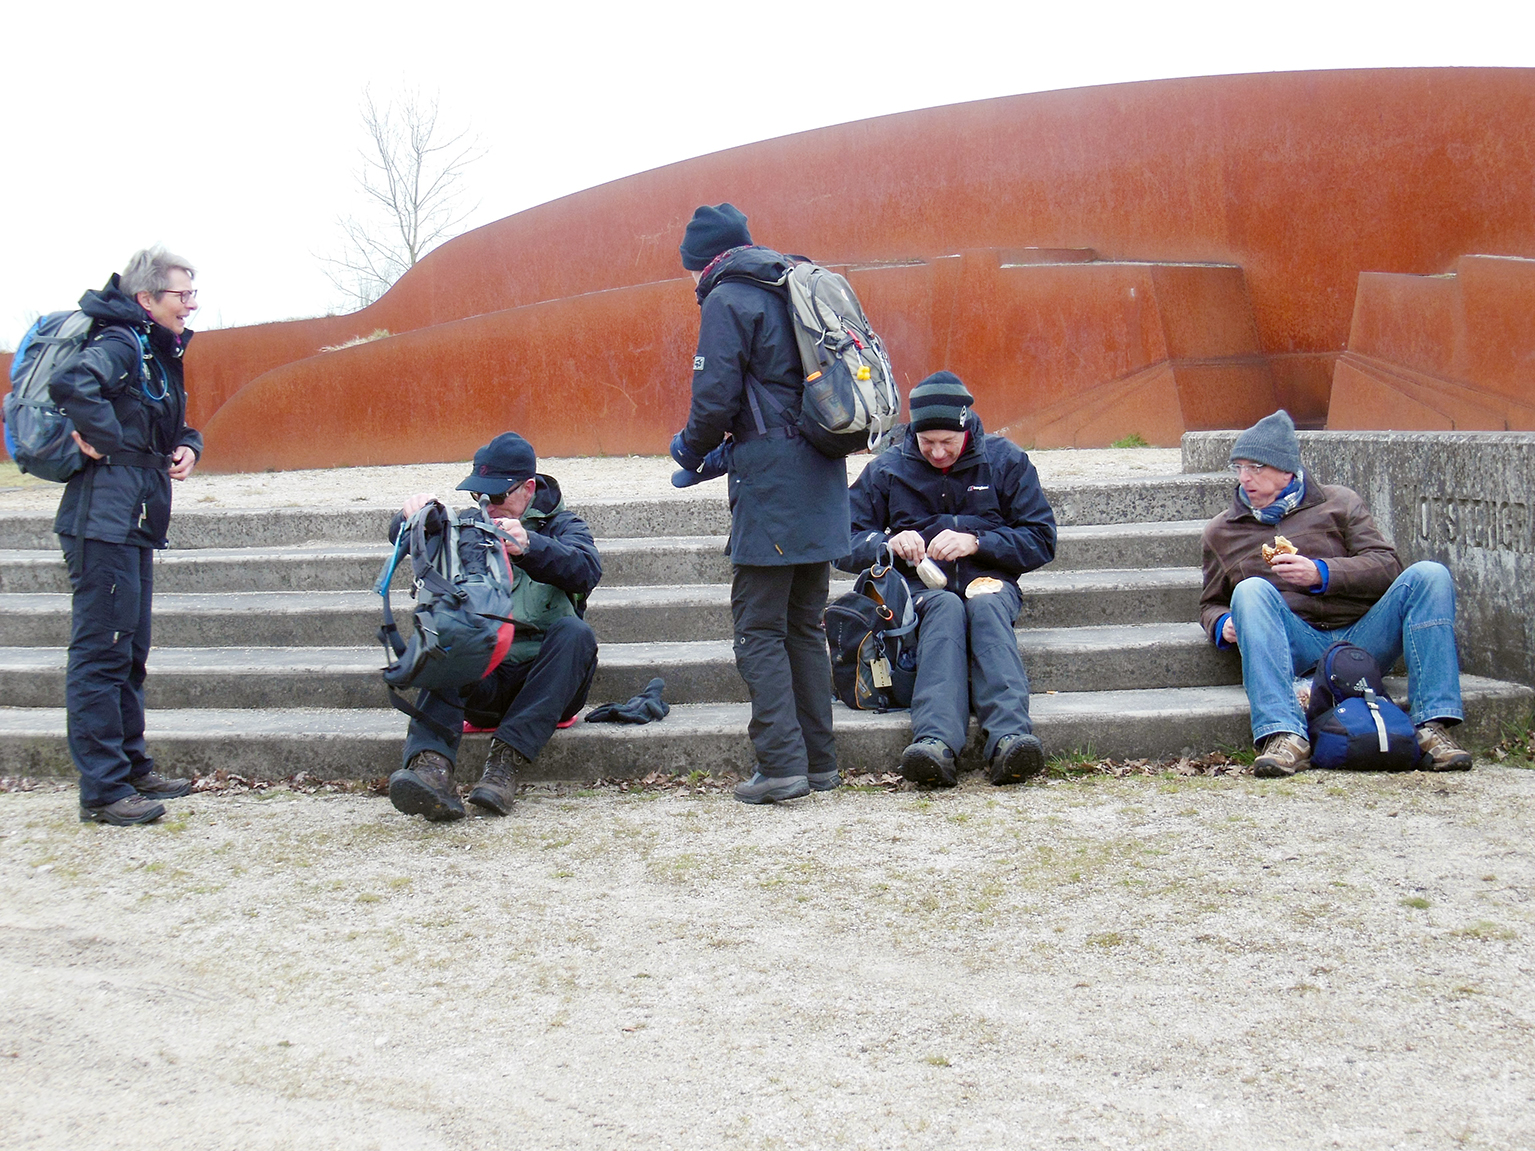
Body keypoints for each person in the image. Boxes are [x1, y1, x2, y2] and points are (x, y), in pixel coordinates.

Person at [669, 203, 850, 805]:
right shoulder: (791, 282)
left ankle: (779, 767)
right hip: (821, 466)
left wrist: (689, 450)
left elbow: (714, 396)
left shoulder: (728, 297)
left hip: (772, 484)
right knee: (803, 625)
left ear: (702, 262)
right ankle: (819, 763)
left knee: (758, 629)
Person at [1200, 409, 1474, 777]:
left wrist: (1321, 572)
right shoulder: (1223, 531)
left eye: (1256, 468)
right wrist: (1222, 623)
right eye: (1239, 467)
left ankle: (1431, 728)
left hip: (1360, 641)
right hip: (1293, 643)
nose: (1245, 478)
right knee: (1250, 590)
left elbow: (1386, 566)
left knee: (1430, 575)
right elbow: (1211, 602)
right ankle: (1283, 735)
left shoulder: (1339, 503)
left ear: (1286, 470)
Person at [46, 248, 204, 826]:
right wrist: (105, 438)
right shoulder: (119, 344)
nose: (191, 304)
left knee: (130, 652)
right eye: (181, 294)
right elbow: (71, 382)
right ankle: (104, 790)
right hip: (102, 524)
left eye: (192, 292)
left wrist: (188, 444)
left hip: (133, 521)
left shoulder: (153, 353)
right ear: (147, 299)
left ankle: (132, 767)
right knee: (101, 655)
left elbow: (165, 421)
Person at [847, 372, 1057, 787]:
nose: (938, 452)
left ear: (966, 426)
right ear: (913, 432)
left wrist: (978, 543)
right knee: (944, 607)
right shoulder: (887, 469)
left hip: (989, 581)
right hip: (919, 591)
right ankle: (935, 744)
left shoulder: (1005, 460)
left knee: (984, 605)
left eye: (948, 442)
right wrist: (887, 544)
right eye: (928, 443)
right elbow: (843, 539)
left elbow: (1041, 538)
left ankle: (1010, 738)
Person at [388, 432, 602, 820]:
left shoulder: (564, 526)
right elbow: (403, 541)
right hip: (485, 680)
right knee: (448, 634)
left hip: (547, 686)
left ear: (529, 488)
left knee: (576, 634)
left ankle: (503, 767)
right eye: (478, 496)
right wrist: (411, 516)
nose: (488, 507)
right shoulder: (469, 526)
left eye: (498, 496)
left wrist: (532, 547)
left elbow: (587, 570)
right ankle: (430, 769)